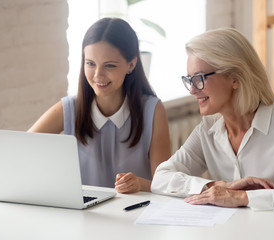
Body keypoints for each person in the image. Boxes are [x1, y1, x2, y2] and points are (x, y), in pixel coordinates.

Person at [151, 27, 274, 210]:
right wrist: (215, 186)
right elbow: (161, 178)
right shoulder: (206, 130)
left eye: (199, 78)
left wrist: (243, 197)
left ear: (235, 78)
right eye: (189, 79)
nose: (192, 89)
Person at [29, 18, 171, 194]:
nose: (98, 75)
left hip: (134, 216)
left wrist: (140, 184)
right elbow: (22, 151)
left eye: (109, 65)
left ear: (131, 65)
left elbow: (165, 186)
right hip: (83, 217)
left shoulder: (152, 110)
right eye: (90, 63)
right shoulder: (69, 108)